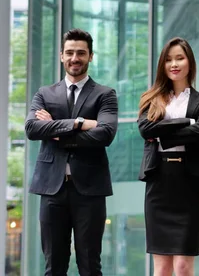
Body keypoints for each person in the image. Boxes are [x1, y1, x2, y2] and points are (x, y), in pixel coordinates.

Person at [24, 28, 118, 276]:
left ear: (91, 56)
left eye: (81, 53)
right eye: (70, 52)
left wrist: (54, 129)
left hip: (90, 190)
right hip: (51, 189)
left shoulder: (105, 94)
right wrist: (77, 123)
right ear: (61, 56)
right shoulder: (44, 93)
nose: (75, 58)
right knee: (53, 266)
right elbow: (32, 128)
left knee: (90, 265)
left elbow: (105, 134)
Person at [137, 37, 199, 276]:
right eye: (169, 60)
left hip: (189, 181)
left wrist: (164, 133)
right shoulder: (151, 98)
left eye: (179, 58)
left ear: (189, 63)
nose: (174, 64)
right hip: (159, 182)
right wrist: (186, 123)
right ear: (162, 65)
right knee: (161, 269)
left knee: (182, 266)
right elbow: (145, 130)